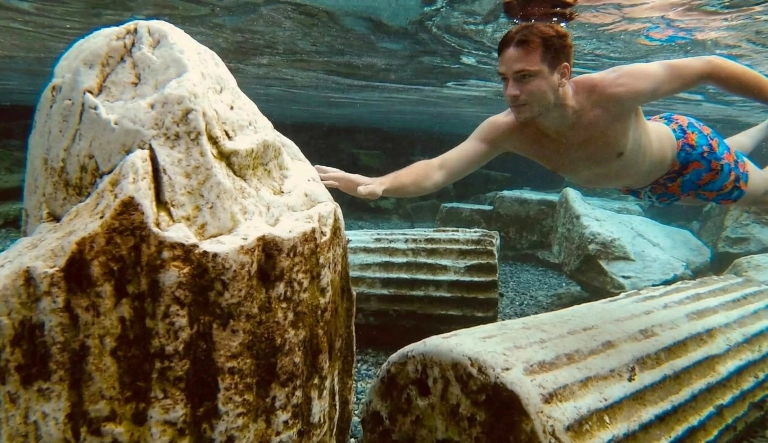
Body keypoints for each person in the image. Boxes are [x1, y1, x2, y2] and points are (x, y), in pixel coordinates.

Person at [315, 22, 768, 207]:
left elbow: (710, 67)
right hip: (643, 184)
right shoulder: (507, 131)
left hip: (688, 157)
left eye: (525, 77)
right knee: (737, 156)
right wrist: (379, 184)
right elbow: (437, 170)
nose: (511, 92)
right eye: (505, 78)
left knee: (760, 194)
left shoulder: (614, 89)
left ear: (562, 73)